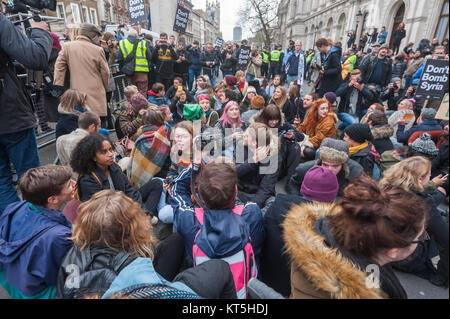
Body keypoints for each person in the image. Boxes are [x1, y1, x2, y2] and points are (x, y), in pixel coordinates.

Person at [283, 175, 428, 299]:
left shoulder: (318, 234)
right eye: (420, 236)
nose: (422, 239)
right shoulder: (368, 287)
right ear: (393, 251)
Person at [55, 190, 187, 299]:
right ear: (132, 226)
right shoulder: (139, 256)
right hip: (138, 287)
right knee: (176, 241)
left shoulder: (73, 253)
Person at [170, 161, 265, 298]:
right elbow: (256, 249)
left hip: (208, 288)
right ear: (236, 191)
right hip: (245, 290)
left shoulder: (189, 221)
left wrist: (194, 166)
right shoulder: (251, 213)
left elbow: (177, 189)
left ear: (201, 197)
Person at [0, 14, 53, 214]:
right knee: (31, 178)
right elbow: (36, 57)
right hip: (10, 114)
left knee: (2, 183)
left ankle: (14, 230)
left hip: (10, 112)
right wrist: (40, 31)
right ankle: (35, 229)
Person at [260, 166, 339, 297]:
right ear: (331, 198)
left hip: (267, 281)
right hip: (298, 291)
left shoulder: (275, 207)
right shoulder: (327, 229)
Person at [0, 165, 74, 299]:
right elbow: (67, 273)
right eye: (69, 184)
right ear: (52, 199)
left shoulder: (15, 207)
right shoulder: (59, 236)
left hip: (10, 278)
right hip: (36, 292)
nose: (74, 183)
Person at [381, 157, 448, 288]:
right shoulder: (422, 202)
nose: (431, 176)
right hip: (403, 257)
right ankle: (441, 277)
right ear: (420, 179)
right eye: (429, 174)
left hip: (377, 248)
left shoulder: (384, 187)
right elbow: (445, 237)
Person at [70, 133, 163, 218]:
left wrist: (143, 211)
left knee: (157, 183)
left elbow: (129, 190)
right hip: (109, 214)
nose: (111, 154)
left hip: (123, 202)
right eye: (104, 152)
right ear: (93, 157)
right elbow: (103, 210)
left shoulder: (113, 166)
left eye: (110, 149)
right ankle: (143, 219)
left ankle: (146, 216)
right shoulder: (87, 180)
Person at [54, 23, 110, 128]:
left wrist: (58, 84)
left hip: (77, 92)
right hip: (96, 92)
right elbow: (105, 72)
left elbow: (59, 66)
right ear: (93, 36)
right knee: (98, 124)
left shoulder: (67, 46)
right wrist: (106, 87)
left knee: (81, 124)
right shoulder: (98, 50)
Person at [287, 137, 364, 197]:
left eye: (335, 166)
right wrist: (298, 200)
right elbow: (293, 182)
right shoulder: (304, 169)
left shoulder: (356, 172)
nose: (329, 170)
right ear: (321, 161)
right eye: (325, 165)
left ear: (343, 164)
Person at [253, 105, 304, 181]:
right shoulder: (257, 125)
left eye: (276, 120)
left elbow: (301, 136)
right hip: (264, 157)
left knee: (295, 146)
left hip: (281, 156)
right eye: (271, 120)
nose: (274, 122)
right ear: (266, 118)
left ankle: (291, 179)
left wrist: (293, 135)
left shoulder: (282, 124)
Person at [127, 109, 172, 190]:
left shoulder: (142, 138)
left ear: (143, 122)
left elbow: (137, 163)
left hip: (149, 183)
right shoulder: (168, 132)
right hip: (167, 176)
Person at [117, 28, 152, 96]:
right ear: (136, 36)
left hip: (129, 72)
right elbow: (149, 57)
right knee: (142, 92)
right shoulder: (143, 42)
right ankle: (142, 106)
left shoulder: (122, 43)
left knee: (131, 93)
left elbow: (120, 59)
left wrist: (123, 69)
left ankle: (133, 106)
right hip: (142, 72)